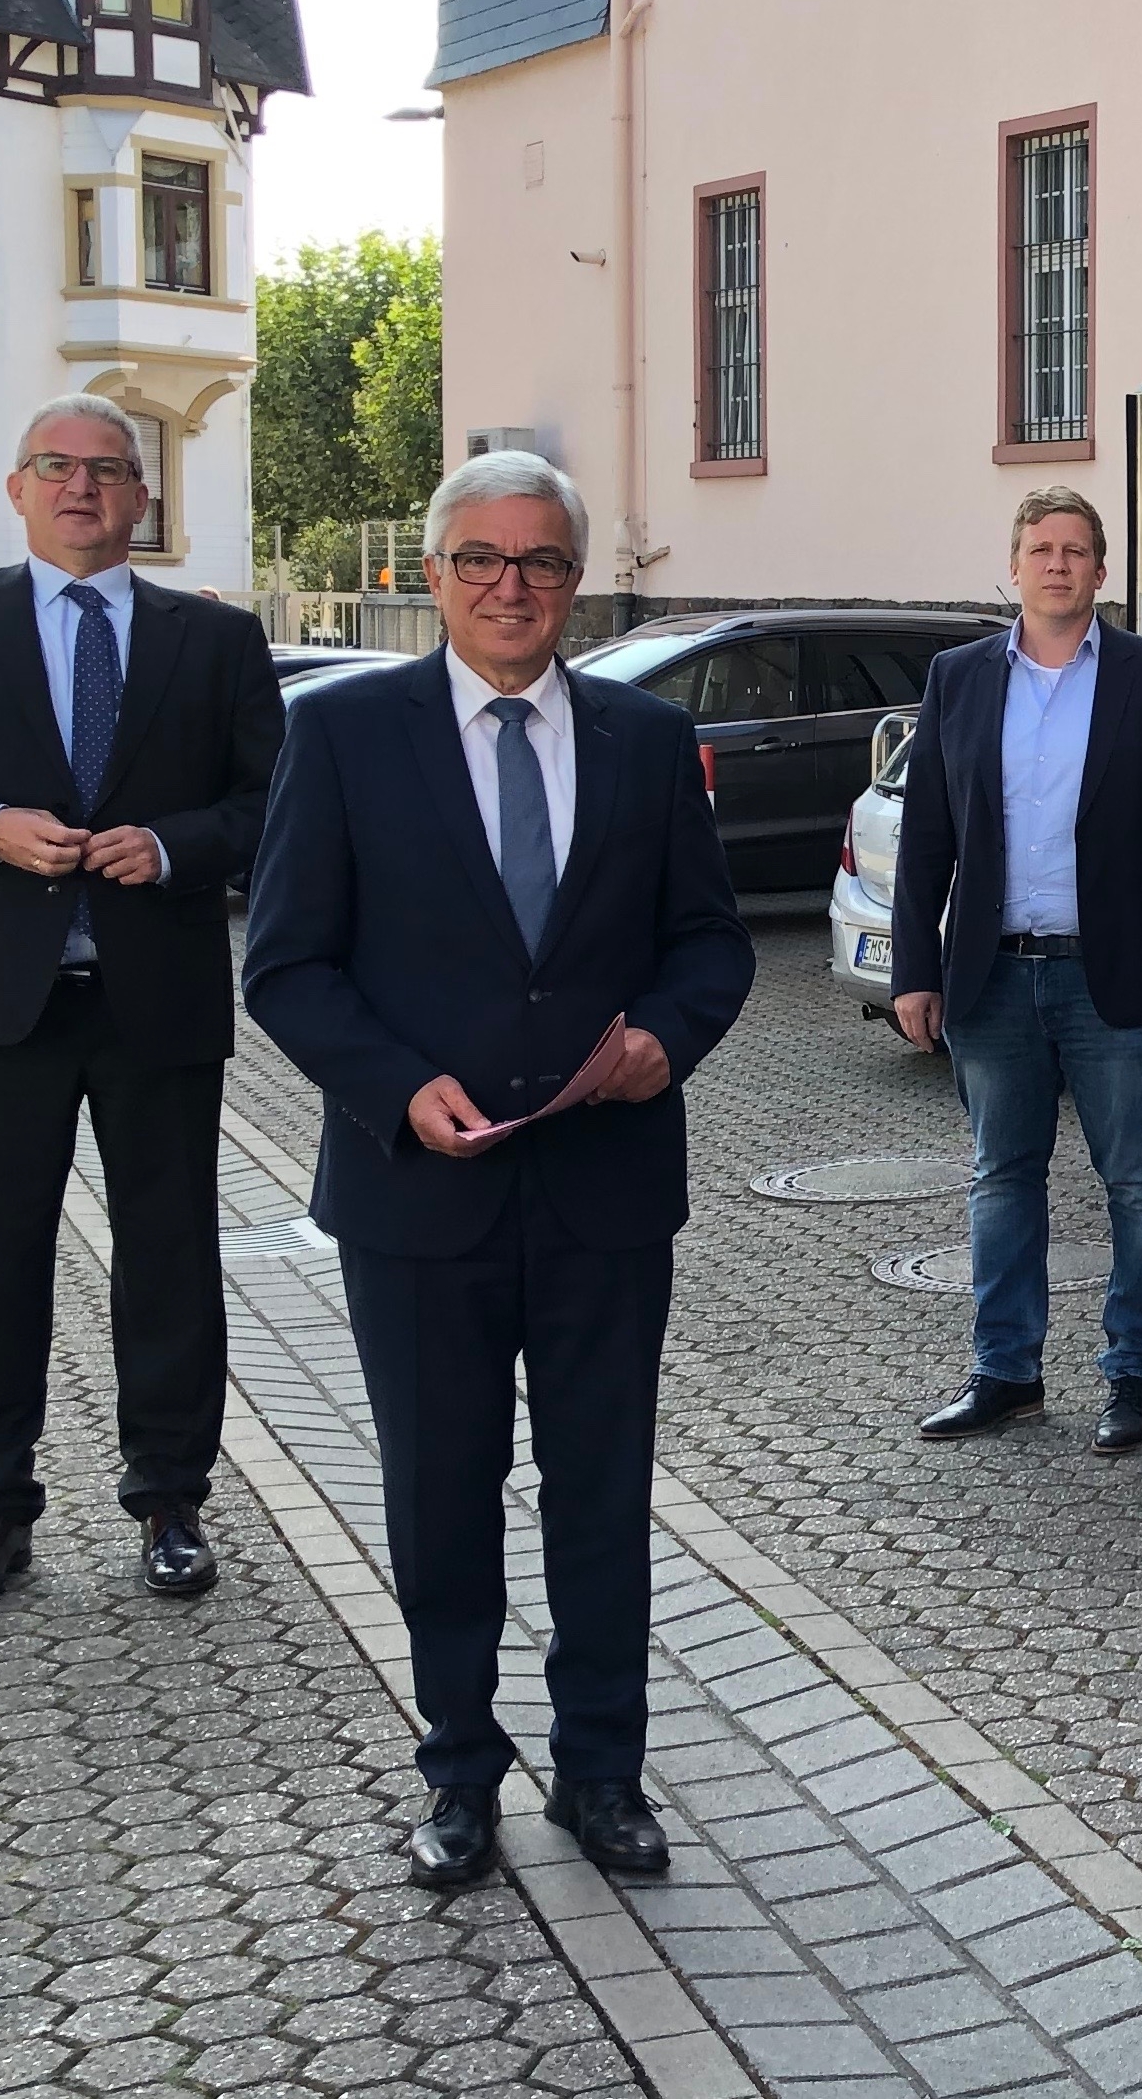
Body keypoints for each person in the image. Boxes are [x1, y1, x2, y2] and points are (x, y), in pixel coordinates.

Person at [242, 452, 754, 1892]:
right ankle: (458, 1771)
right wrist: (397, 1090)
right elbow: (285, 965)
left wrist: (664, 1036)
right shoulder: (343, 737)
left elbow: (711, 942)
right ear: (432, 575)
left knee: (598, 1493)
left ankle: (602, 1771)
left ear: (574, 583)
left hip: (603, 1192)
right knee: (440, 1495)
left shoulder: (649, 743)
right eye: (479, 559)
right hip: (420, 1200)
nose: (508, 586)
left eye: (537, 562)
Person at [0, 394, 283, 1610]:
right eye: (55, 467)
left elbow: (270, 803)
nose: (82, 488)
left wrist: (173, 849)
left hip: (154, 993)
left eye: (109, 471)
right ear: (18, 489)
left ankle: (171, 1500)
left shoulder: (215, 642)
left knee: (170, 1251)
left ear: (143, 500)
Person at [892, 486, 1142, 1455]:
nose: (1057, 564)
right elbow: (925, 840)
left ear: (1100, 570)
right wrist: (916, 969)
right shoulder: (956, 677)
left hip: (1110, 979)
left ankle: (1133, 1377)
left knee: (1140, 1184)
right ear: (1014, 563)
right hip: (990, 979)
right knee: (1000, 1178)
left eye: (1075, 550)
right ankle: (1005, 1373)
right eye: (1041, 548)